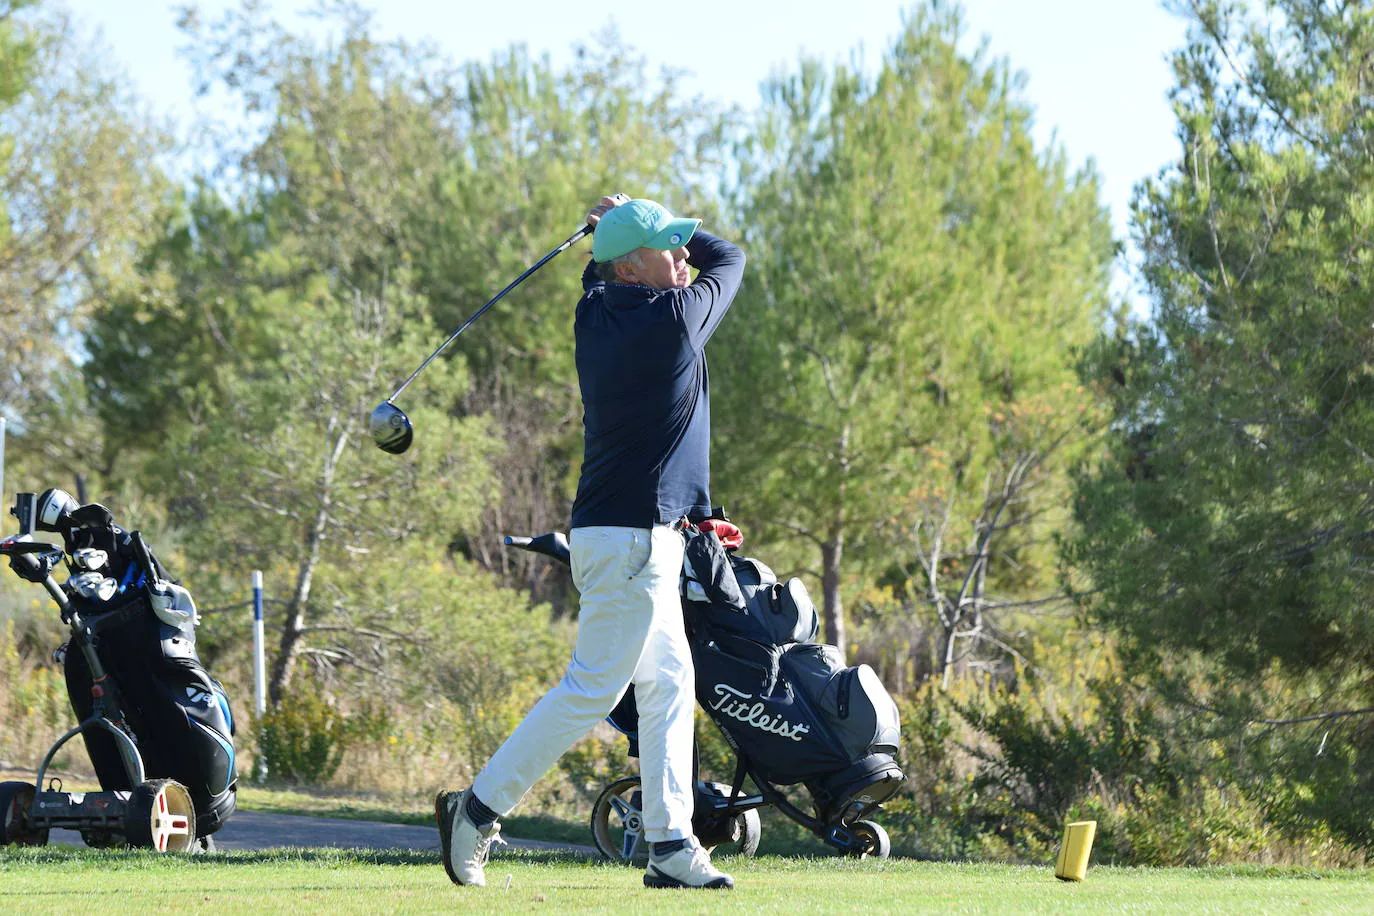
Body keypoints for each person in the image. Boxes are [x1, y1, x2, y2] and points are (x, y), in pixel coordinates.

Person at [436, 193, 746, 890]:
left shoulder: (593, 314)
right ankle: (475, 808)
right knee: (592, 689)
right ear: (632, 271)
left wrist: (618, 226)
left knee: (669, 683)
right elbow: (730, 256)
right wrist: (620, 217)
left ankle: (670, 845)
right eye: (667, 248)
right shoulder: (674, 319)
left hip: (632, 534)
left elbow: (599, 273)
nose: (683, 256)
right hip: (634, 538)